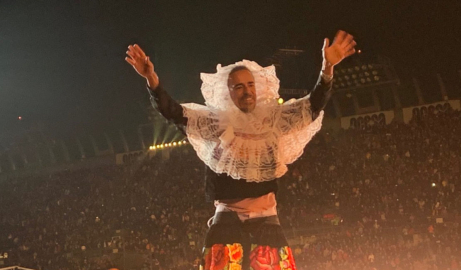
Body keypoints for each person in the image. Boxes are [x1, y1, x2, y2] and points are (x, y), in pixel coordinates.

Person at [125, 30, 356, 270]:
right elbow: (172, 111)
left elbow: (313, 106)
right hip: (227, 223)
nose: (246, 91)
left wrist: (327, 68)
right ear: (228, 92)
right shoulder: (215, 122)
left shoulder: (273, 120)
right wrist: (151, 77)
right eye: (238, 87)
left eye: (249, 85)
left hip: (267, 222)